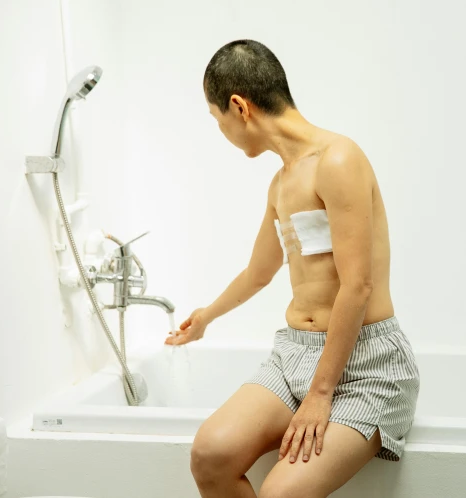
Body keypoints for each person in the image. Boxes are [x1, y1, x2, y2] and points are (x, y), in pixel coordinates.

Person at [164, 39, 420, 498]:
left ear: (239, 107)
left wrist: (321, 395)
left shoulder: (338, 160)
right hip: (293, 357)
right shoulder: (281, 182)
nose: (219, 129)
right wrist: (206, 316)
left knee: (282, 493)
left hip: (366, 366)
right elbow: (259, 272)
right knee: (210, 456)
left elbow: (357, 286)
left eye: (215, 117)